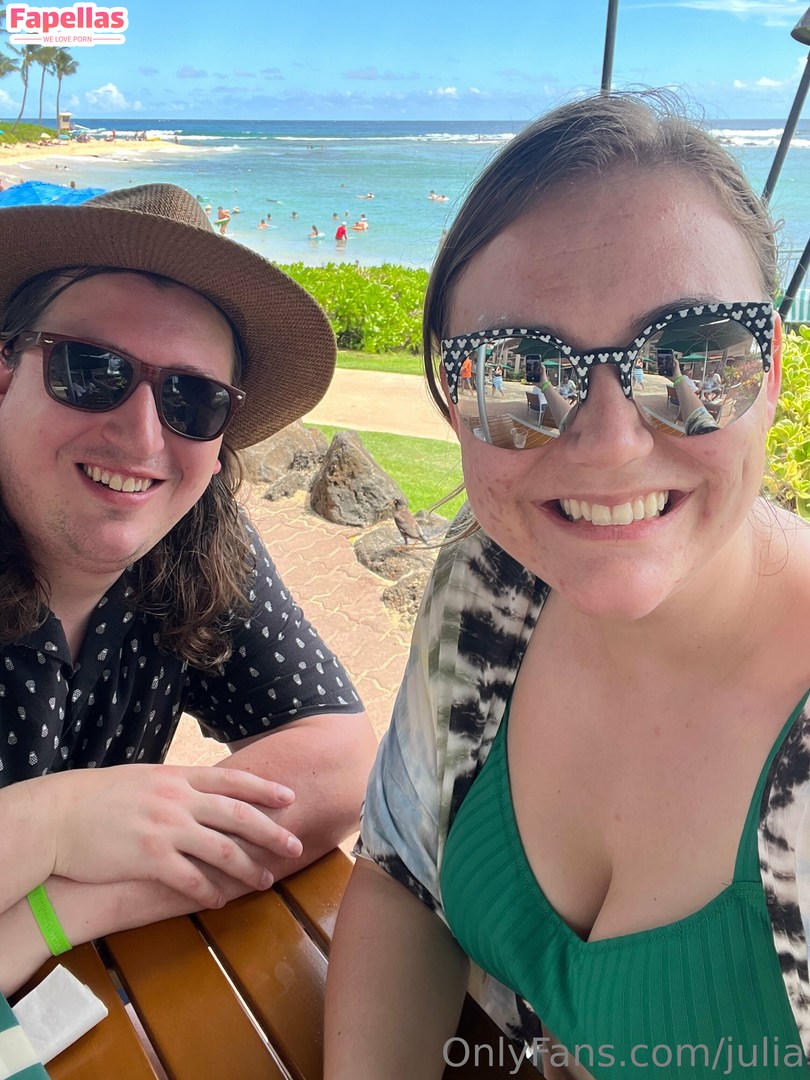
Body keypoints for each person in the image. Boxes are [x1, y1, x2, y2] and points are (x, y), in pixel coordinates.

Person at [325, 92, 810, 1079]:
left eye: (694, 357)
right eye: (517, 373)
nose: (610, 443)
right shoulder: (489, 582)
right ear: (454, 401)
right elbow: (404, 881)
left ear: (768, 375)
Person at [0, 183, 376, 998]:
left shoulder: (191, 540)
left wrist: (50, 915)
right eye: (91, 370)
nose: (142, 436)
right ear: (4, 372)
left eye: (192, 398)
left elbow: (340, 761)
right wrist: (59, 823)